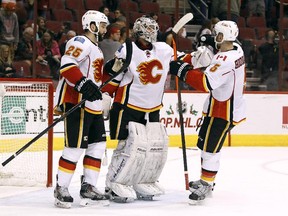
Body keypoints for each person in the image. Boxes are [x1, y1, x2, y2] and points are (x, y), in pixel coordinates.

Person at [101, 15, 178, 203]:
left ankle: (142, 180)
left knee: (152, 147)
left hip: (152, 109)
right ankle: (114, 182)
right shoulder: (128, 48)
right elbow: (115, 75)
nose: (151, 33)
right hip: (128, 107)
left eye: (153, 29)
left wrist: (195, 58)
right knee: (127, 145)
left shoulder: (164, 49)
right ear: (138, 32)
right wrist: (105, 94)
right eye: (147, 29)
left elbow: (179, 62)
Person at [169, 20, 246, 204]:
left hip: (224, 111)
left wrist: (183, 71)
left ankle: (207, 183)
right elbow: (214, 54)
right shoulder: (236, 48)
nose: (216, 38)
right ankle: (207, 180)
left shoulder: (225, 59)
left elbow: (206, 83)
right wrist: (211, 42)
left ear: (225, 37)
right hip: (218, 106)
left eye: (218, 35)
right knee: (205, 144)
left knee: (210, 148)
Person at [53, 10, 109, 208]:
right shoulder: (81, 42)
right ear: (92, 26)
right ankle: (61, 187)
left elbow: (95, 76)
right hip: (78, 102)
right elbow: (67, 65)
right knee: (75, 147)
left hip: (92, 105)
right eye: (102, 25)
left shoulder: (97, 48)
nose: (104, 29)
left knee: (98, 145)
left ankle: (89, 187)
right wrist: (83, 84)